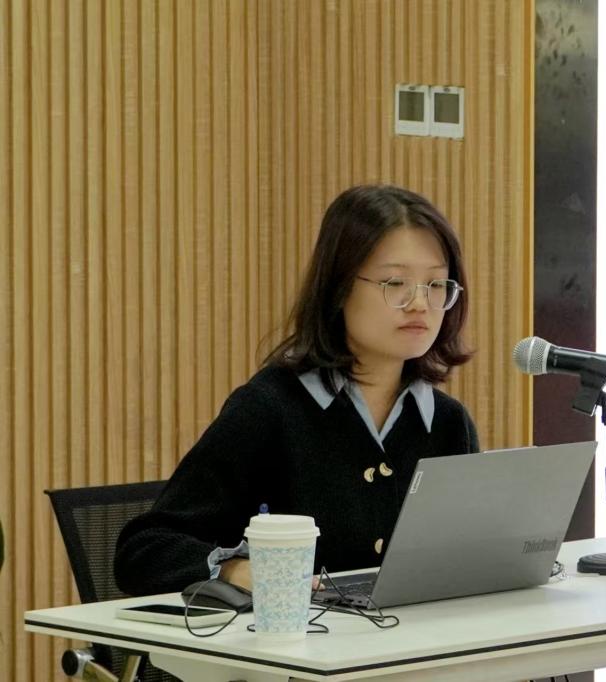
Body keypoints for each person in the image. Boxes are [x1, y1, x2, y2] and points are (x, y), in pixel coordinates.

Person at [115, 184, 479, 596]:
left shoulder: (448, 423)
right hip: (296, 636)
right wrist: (234, 570)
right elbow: (144, 551)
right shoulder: (270, 409)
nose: (420, 304)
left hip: (412, 636)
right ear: (339, 287)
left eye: (436, 285)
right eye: (395, 283)